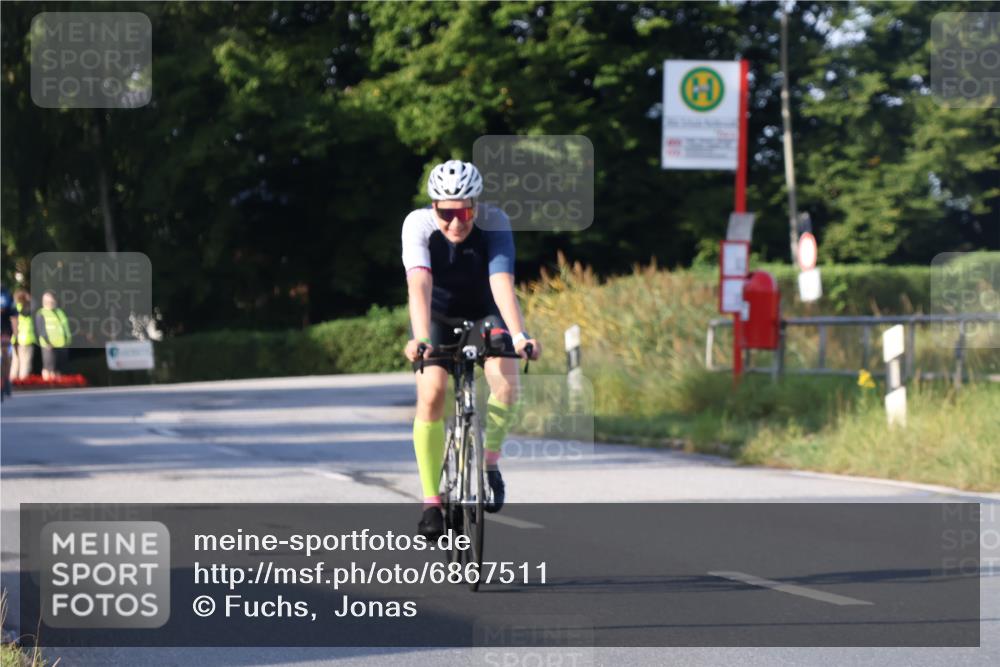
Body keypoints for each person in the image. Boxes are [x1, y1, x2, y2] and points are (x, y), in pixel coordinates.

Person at [401, 159, 541, 539]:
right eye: (446, 213)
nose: (455, 223)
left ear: (476, 206)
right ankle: (431, 501)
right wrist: (421, 338)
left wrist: (519, 336)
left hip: (484, 313)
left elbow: (501, 281)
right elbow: (419, 284)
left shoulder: (495, 222)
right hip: (436, 316)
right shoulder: (417, 225)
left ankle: (489, 464)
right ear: (433, 207)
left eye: (463, 212)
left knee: (507, 385)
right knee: (432, 394)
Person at [35, 290, 71, 380]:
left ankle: (58, 384)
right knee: (48, 366)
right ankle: (47, 384)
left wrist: (67, 339)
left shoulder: (60, 312)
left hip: (61, 344)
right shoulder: (41, 313)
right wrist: (47, 342)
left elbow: (65, 327)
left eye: (51, 301)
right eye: (47, 301)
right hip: (48, 345)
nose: (50, 303)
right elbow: (41, 330)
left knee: (59, 367)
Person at [10, 290, 36, 381]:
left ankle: (12, 380)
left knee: (15, 361)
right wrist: (30, 298)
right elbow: (35, 304)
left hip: (15, 338)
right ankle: (23, 381)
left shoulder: (14, 308)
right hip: (26, 339)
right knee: (25, 362)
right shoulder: (27, 307)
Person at [0, 283, 16, 399]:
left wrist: (16, 333)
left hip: (4, 332)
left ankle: (5, 380)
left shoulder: (6, 294)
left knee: (6, 358)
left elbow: (14, 315)